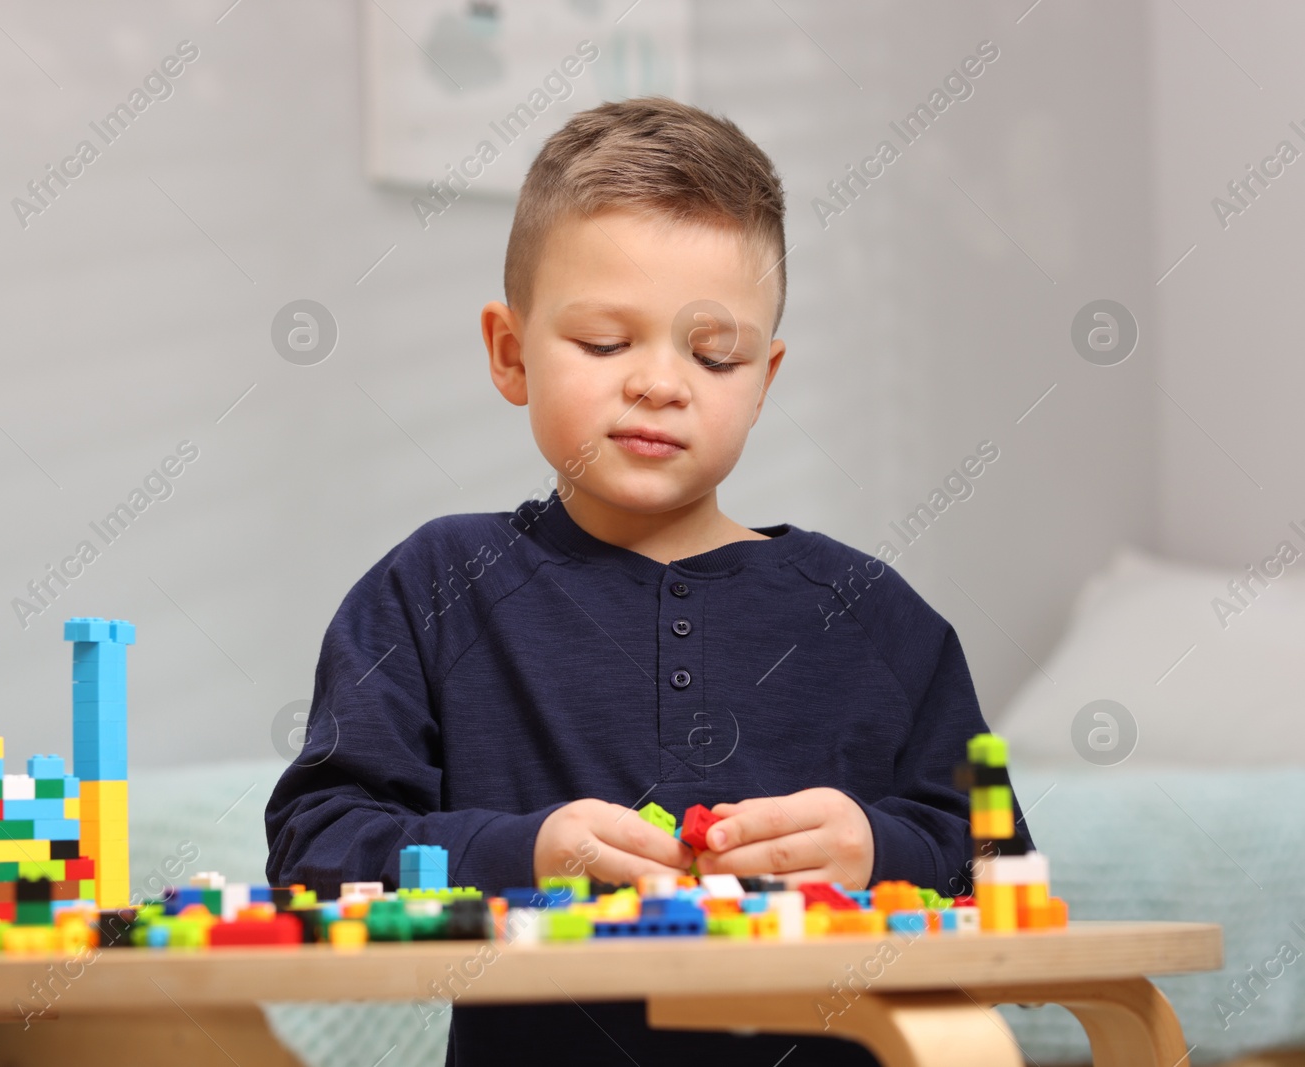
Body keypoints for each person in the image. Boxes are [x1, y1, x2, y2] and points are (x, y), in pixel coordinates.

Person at [265, 95, 1032, 1067]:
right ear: (510, 352)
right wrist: (525, 854)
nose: (660, 383)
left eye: (713, 353)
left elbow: (1004, 873)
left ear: (763, 377)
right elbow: (314, 852)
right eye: (603, 342)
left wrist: (877, 848)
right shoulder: (432, 588)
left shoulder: (876, 616)